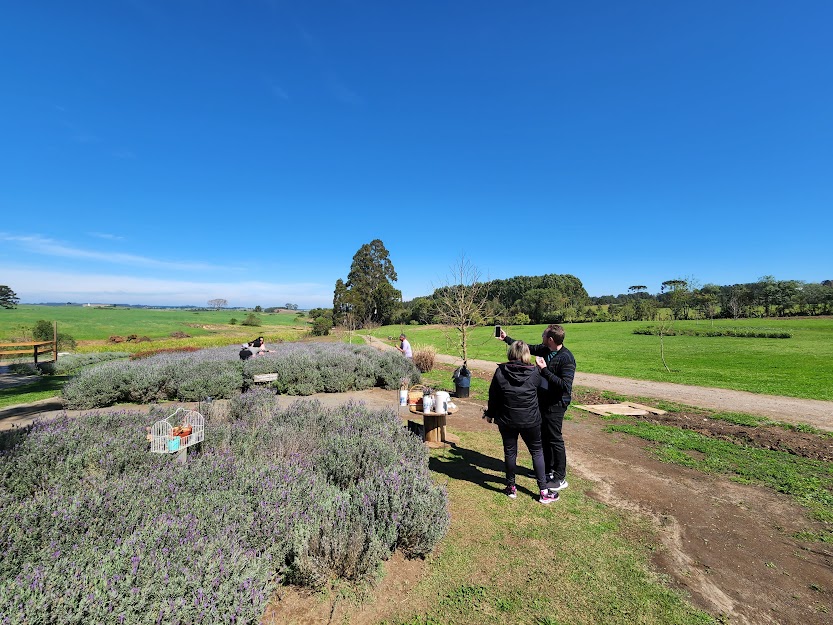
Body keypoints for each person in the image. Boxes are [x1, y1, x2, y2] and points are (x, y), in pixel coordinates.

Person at [498, 324, 576, 493]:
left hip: (556, 404)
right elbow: (528, 348)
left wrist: (544, 370)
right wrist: (507, 339)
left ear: (550, 339)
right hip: (543, 402)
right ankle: (546, 470)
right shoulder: (545, 349)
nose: (541, 337)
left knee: (555, 439)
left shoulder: (566, 358)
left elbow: (565, 386)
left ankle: (560, 477)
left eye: (543, 335)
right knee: (544, 438)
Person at [486, 340, 558, 504]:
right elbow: (545, 390)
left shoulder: (500, 371)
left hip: (507, 419)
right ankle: (544, 491)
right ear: (527, 354)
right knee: (537, 452)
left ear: (511, 353)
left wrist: (490, 414)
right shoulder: (535, 373)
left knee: (510, 452)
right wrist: (543, 369)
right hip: (530, 420)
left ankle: (511, 487)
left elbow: (493, 396)